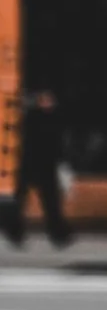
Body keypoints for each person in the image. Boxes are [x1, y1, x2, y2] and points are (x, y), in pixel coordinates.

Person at [2, 88, 70, 251]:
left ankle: (57, 233)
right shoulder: (31, 117)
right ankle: (16, 232)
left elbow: (56, 141)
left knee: (49, 200)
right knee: (24, 199)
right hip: (30, 161)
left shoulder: (46, 119)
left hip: (39, 161)